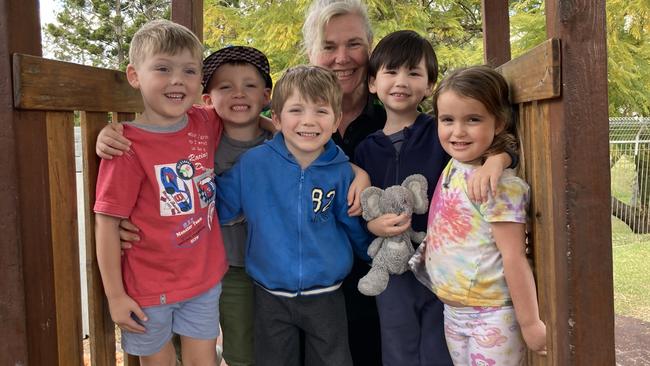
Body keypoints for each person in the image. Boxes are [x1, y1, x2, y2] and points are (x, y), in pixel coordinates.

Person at [354, 30, 516, 366]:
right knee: (397, 346)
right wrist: (372, 223)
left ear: (429, 86)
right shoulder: (366, 148)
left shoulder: (440, 131)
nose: (402, 81)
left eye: (414, 73)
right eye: (391, 72)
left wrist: (500, 160)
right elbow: (363, 207)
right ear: (372, 82)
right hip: (392, 270)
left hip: (442, 265)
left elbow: (494, 145)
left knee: (437, 348)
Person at [215, 65, 371, 366]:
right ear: (276, 118)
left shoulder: (340, 171)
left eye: (321, 112)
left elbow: (350, 221)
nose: (308, 121)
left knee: (333, 361)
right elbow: (219, 206)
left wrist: (371, 254)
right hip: (269, 293)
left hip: (327, 293)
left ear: (336, 119)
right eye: (296, 110)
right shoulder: (254, 164)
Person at [93, 19, 227, 366]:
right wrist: (115, 295)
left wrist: (275, 128)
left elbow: (247, 116)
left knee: (204, 360)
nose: (177, 80)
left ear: (200, 80)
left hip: (203, 277)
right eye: (163, 68)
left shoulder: (205, 121)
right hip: (147, 286)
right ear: (135, 75)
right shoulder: (125, 146)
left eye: (189, 70)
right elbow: (106, 223)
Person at [410, 65, 547, 365]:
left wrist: (530, 323)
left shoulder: (499, 186)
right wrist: (500, 156)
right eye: (447, 120)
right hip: (453, 311)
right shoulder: (457, 164)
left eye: (472, 119)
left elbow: (514, 257)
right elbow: (506, 146)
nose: (457, 131)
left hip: (492, 315)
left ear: (498, 122)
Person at [200, 45, 274, 366]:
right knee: (190, 344)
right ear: (207, 99)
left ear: (267, 96)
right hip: (199, 262)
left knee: (243, 345)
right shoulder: (200, 140)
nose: (238, 93)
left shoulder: (280, 144)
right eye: (225, 86)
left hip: (246, 266)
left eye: (250, 85)